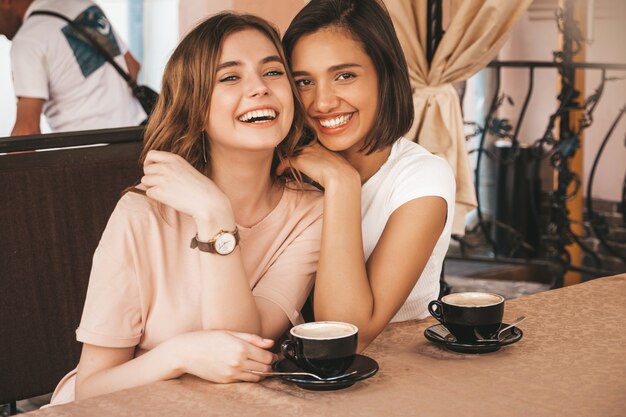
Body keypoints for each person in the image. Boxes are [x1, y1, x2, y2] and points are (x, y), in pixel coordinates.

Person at [48, 12, 323, 405]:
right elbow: (90, 387)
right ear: (195, 108)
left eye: (273, 72)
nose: (259, 88)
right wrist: (180, 355)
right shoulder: (141, 214)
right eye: (230, 77)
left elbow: (242, 344)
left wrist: (214, 214)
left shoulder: (309, 212)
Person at [281, 0, 456, 351]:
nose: (323, 103)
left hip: (397, 367)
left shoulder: (422, 178)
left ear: (384, 75)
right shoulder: (286, 166)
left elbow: (345, 332)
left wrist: (341, 183)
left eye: (344, 76)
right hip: (293, 368)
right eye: (304, 81)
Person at [0, 0, 145, 135]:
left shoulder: (27, 41)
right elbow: (133, 67)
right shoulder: (84, 5)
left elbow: (27, 129)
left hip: (90, 151)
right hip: (137, 135)